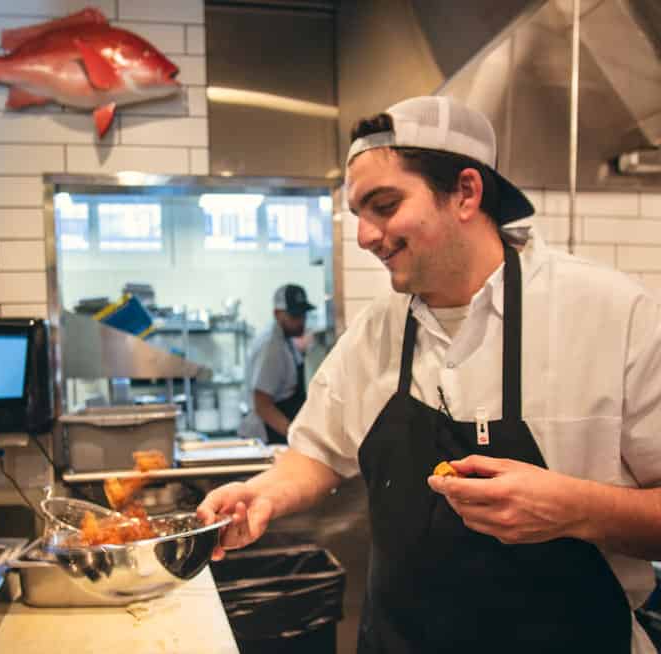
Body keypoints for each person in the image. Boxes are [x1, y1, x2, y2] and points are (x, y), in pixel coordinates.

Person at [199, 95, 661, 653]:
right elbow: (317, 453)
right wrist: (261, 495)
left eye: (385, 205)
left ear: (465, 192)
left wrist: (575, 509)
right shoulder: (378, 332)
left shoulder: (614, 314)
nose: (367, 235)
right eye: (359, 215)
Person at [237, 283, 315, 444]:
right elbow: (262, 404)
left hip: (276, 430)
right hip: (266, 435)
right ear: (277, 314)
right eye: (294, 316)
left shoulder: (285, 339)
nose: (301, 321)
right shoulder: (271, 347)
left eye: (303, 315)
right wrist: (296, 437)